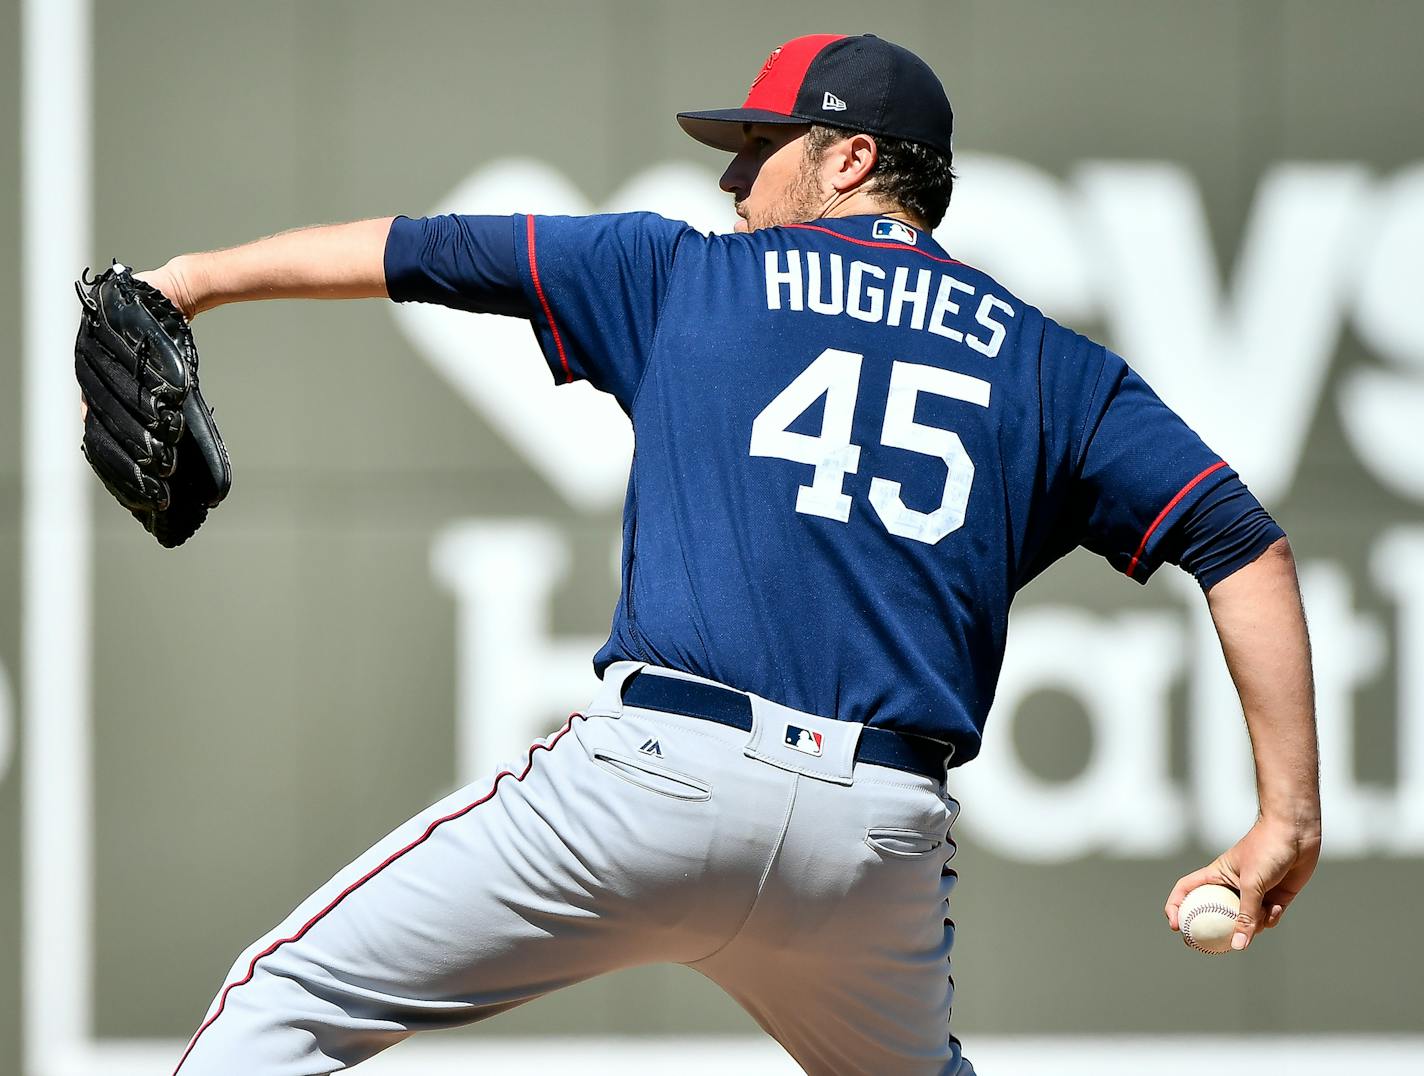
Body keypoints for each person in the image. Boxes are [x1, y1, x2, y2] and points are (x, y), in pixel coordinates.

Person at [133, 32, 1320, 1076]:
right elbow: (1240, 543)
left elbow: (419, 248)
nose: (732, 176)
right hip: (874, 840)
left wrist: (186, 284)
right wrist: (1285, 819)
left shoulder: (683, 273)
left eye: (762, 145)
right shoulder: (1051, 366)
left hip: (653, 783)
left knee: (290, 995)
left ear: (848, 159)